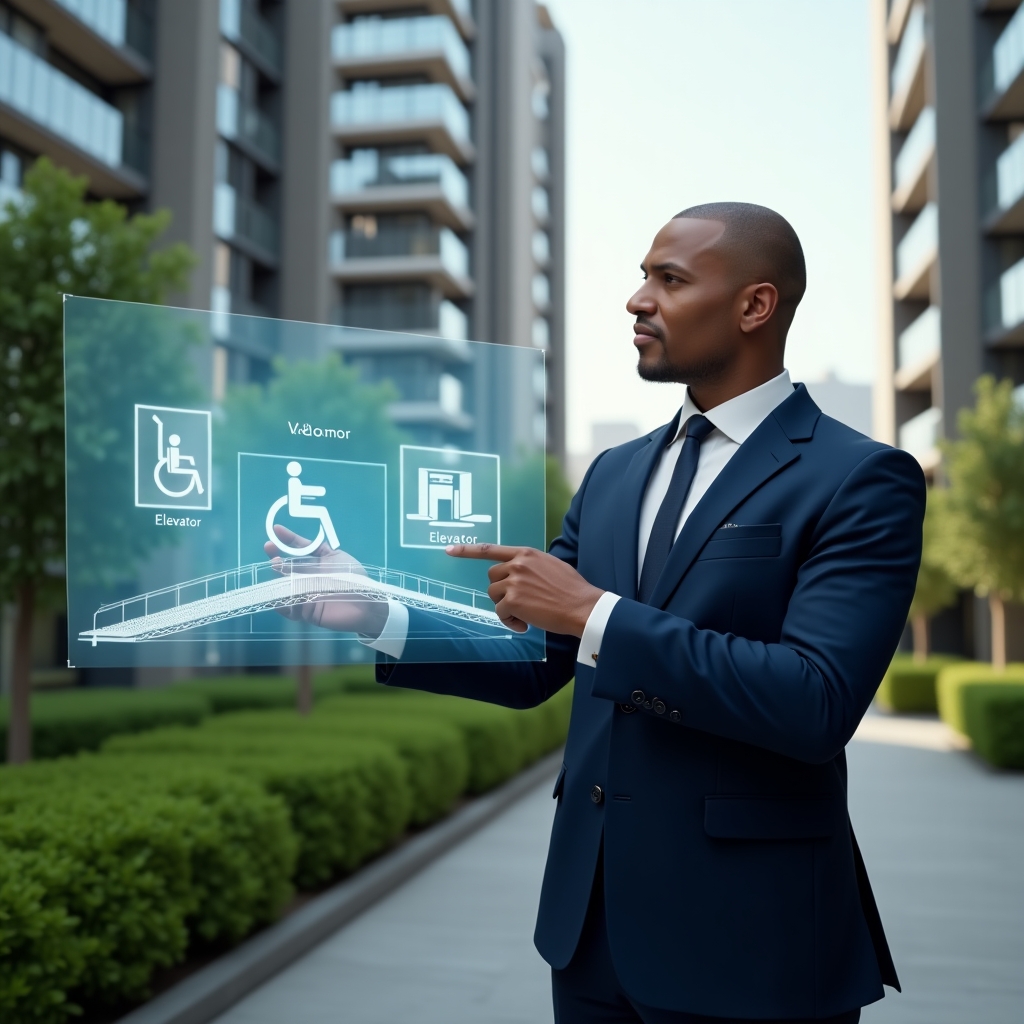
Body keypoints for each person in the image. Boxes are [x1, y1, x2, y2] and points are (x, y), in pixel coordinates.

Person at [266, 203, 925, 1024]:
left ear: (755, 306)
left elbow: (814, 700)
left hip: (756, 944)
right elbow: (539, 657)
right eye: (643, 274)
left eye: (669, 279)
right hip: (592, 938)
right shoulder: (613, 474)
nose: (636, 300)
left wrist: (598, 615)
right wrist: (372, 611)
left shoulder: (860, 477)